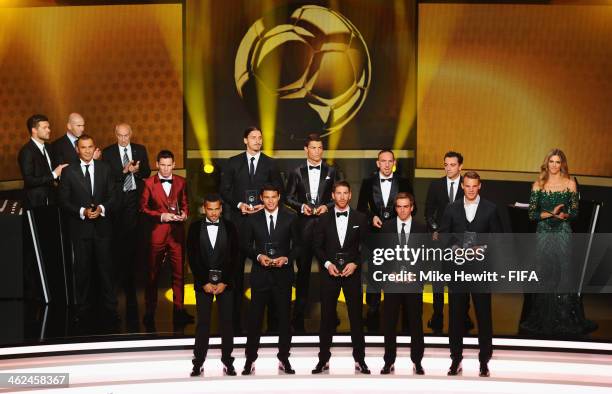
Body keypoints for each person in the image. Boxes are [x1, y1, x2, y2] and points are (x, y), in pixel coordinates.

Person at [519, 149, 597, 337]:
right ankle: (544, 318)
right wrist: (551, 213)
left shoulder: (570, 183)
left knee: (563, 272)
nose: (554, 165)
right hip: (544, 230)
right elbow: (532, 214)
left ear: (562, 164)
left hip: (562, 230)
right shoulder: (538, 184)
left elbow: (575, 213)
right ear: (547, 164)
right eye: (551, 161)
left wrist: (564, 215)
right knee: (545, 272)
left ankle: (563, 318)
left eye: (557, 162)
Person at [219, 126, 284, 333]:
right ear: (245, 140)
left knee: (267, 267)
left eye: (260, 138)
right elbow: (224, 190)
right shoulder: (232, 162)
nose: (258, 141)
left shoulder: (270, 164)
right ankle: (234, 313)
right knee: (235, 269)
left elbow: (279, 190)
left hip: (264, 223)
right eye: (253, 138)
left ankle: (272, 315)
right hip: (238, 222)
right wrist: (239, 205)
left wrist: (264, 205)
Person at [439, 171, 502, 377]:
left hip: (481, 272)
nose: (471, 189)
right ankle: (455, 358)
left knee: (484, 316)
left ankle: (484, 360)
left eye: (474, 186)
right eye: (467, 186)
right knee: (456, 316)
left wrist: (482, 248)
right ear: (462, 186)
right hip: (457, 271)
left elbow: (498, 238)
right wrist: (455, 248)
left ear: (480, 186)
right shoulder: (451, 208)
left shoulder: (491, 209)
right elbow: (443, 236)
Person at [312, 181, 370, 375]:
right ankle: (323, 359)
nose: (342, 196)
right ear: (333, 196)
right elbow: (317, 247)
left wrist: (355, 264)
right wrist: (328, 265)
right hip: (329, 275)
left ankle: (360, 359)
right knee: (326, 317)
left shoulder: (361, 218)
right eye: (339, 193)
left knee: (356, 318)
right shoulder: (323, 219)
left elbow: (367, 247)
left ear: (350, 195)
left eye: (346, 193)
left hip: (351, 274)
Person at [57, 134, 118, 321]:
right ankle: (82, 309)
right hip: (80, 229)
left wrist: (101, 208)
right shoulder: (68, 172)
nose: (87, 150)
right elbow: (63, 200)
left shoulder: (105, 168)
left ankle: (110, 309)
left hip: (103, 229)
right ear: (77, 149)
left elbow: (114, 196)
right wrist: (82, 211)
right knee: (82, 271)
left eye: (90, 147)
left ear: (94, 147)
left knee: (106, 270)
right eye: (83, 147)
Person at [241, 183, 299, 375]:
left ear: (279, 196)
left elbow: (299, 245)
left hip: (283, 275)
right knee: (255, 320)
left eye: (274, 197)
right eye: (267, 197)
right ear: (261, 198)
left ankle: (284, 358)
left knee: (284, 319)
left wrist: (287, 258)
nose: (271, 201)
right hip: (261, 275)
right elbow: (246, 246)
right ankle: (250, 359)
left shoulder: (291, 216)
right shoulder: (252, 219)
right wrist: (258, 256)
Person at [285, 133, 340, 332]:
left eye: (320, 148)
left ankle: (331, 314)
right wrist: (302, 207)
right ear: (306, 150)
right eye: (313, 148)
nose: (317, 151)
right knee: (303, 274)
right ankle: (298, 314)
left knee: (330, 272)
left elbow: (340, 196)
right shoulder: (296, 172)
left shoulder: (332, 171)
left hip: (326, 229)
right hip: (304, 230)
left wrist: (328, 206)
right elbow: (287, 197)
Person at [357, 149, 413, 330]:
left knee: (399, 269)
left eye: (390, 161)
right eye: (383, 161)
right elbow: (360, 208)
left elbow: (414, 207)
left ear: (394, 162)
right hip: (375, 233)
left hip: (398, 234)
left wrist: (399, 219)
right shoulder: (367, 182)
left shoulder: (404, 182)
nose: (387, 164)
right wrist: (371, 216)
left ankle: (400, 306)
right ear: (377, 163)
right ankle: (372, 308)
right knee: (375, 271)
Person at [102, 123, 151, 314]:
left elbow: (146, 172)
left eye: (126, 135)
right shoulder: (108, 152)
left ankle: (132, 281)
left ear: (131, 134)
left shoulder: (140, 149)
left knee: (134, 241)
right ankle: (119, 278)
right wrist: (123, 172)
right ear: (115, 135)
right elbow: (106, 177)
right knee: (118, 242)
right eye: (120, 136)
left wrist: (137, 170)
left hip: (134, 199)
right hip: (116, 202)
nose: (123, 139)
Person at [187, 194, 238, 377]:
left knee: (227, 323)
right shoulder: (193, 228)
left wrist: (225, 281)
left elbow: (234, 258)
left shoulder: (231, 228)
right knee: (203, 324)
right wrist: (203, 283)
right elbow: (192, 258)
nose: (214, 213)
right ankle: (198, 362)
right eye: (210, 209)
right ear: (204, 209)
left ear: (221, 209)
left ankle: (228, 361)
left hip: (226, 284)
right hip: (203, 285)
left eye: (217, 209)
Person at [140, 150, 193, 326]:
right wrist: (161, 216)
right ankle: (150, 311)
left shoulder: (181, 182)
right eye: (162, 165)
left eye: (169, 165)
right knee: (152, 274)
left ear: (173, 164)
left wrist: (184, 214)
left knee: (179, 274)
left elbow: (185, 204)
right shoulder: (148, 183)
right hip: (157, 234)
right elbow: (143, 209)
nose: (166, 169)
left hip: (177, 235)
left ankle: (179, 310)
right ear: (157, 164)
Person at [424, 151, 472, 334]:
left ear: (460, 166)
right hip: (440, 241)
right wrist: (436, 230)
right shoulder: (435, 185)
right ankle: (437, 314)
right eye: (446, 164)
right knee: (438, 279)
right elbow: (428, 212)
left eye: (452, 165)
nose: (449, 168)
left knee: (462, 279)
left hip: (462, 242)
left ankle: (464, 315)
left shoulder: (467, 186)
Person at [380, 192, 425, 375]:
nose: (402, 210)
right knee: (389, 324)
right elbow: (379, 257)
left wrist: (417, 276)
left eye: (406, 206)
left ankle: (418, 361)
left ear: (412, 207)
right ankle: (388, 361)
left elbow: (427, 257)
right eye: (399, 206)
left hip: (413, 284)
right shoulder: (387, 227)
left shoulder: (422, 229)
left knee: (415, 324)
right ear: (395, 208)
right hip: (392, 284)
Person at [18, 114, 68, 208]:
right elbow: (29, 180)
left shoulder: (49, 147)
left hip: (53, 199)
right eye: (45, 127)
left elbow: (51, 171)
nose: (49, 130)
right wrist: (54, 174)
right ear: (34, 130)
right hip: (35, 202)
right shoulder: (26, 151)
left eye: (48, 127)